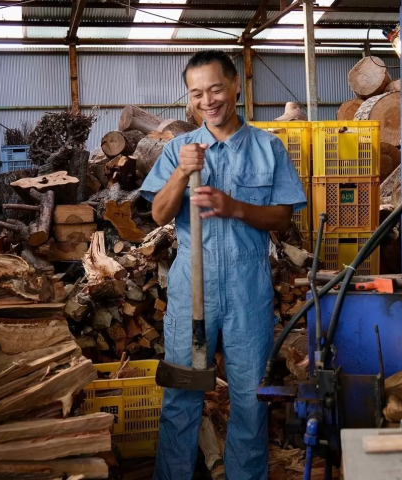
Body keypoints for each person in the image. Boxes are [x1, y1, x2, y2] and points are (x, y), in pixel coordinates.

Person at [140, 49, 307, 480]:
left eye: (215, 89)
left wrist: (234, 207)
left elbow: (282, 217)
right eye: (196, 94)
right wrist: (181, 173)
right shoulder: (180, 148)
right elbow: (158, 215)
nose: (207, 101)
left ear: (235, 85)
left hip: (248, 290)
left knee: (251, 399)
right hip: (192, 288)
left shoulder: (268, 148)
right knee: (183, 394)